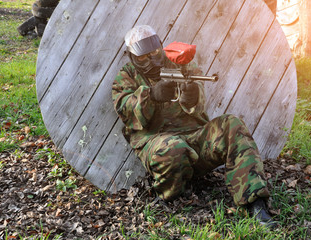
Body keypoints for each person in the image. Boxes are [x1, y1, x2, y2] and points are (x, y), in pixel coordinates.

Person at [112, 25, 276, 227]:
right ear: (132, 57)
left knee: (232, 123)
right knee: (173, 148)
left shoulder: (180, 64)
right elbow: (125, 111)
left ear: (160, 46)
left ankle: (255, 201)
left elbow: (198, 104)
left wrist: (191, 97)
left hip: (196, 139)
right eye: (143, 57)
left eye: (154, 52)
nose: (151, 59)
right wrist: (151, 95)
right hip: (158, 143)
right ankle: (171, 196)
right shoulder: (126, 77)